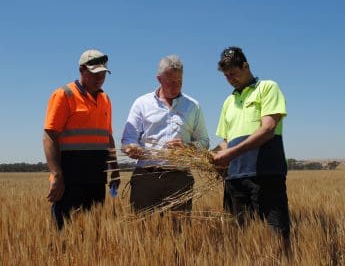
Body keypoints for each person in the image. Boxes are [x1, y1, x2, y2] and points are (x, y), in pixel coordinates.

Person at [212, 46, 290, 239]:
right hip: (234, 179)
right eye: (226, 76)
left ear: (245, 66)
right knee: (237, 237)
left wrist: (230, 154)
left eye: (234, 73)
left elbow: (268, 129)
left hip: (265, 175)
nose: (230, 79)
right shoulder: (228, 102)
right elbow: (225, 142)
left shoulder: (268, 88)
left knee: (275, 236)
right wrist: (212, 155)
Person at [121, 55, 209, 213]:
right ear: (159, 79)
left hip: (180, 178)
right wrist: (131, 148)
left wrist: (188, 147)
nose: (176, 86)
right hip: (146, 178)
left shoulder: (193, 106)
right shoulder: (142, 103)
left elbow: (204, 142)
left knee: (178, 232)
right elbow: (128, 138)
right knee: (142, 230)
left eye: (179, 81)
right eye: (171, 81)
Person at [43, 49, 120, 229]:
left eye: (103, 73)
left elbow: (108, 137)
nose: (100, 77)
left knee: (93, 234)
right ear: (82, 70)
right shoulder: (64, 95)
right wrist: (56, 174)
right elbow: (49, 135)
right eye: (95, 73)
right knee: (63, 231)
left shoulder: (105, 99)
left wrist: (115, 169)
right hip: (70, 179)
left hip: (97, 179)